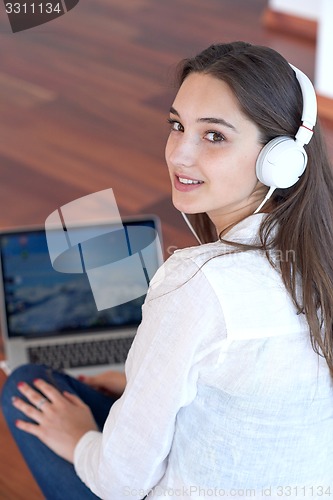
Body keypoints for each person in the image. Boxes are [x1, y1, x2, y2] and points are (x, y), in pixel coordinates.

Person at [1, 41, 333, 499]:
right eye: (177, 125)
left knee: (24, 387)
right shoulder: (322, 256)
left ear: (279, 159)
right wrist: (141, 382)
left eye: (213, 135)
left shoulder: (199, 284)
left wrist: (78, 439)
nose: (178, 154)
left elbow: (120, 483)